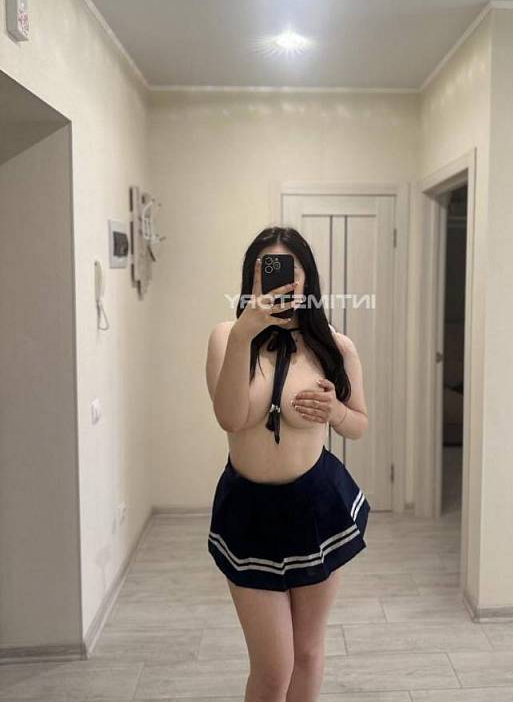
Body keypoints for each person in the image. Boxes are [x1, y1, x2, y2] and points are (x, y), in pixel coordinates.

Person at [205, 225, 370, 702]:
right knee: (273, 667)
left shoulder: (334, 346)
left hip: (316, 506)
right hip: (249, 511)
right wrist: (246, 332)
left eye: (288, 270)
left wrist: (335, 412)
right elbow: (230, 418)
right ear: (251, 277)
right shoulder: (227, 336)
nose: (278, 279)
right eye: (266, 269)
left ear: (306, 277)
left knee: (308, 653)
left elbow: (358, 424)